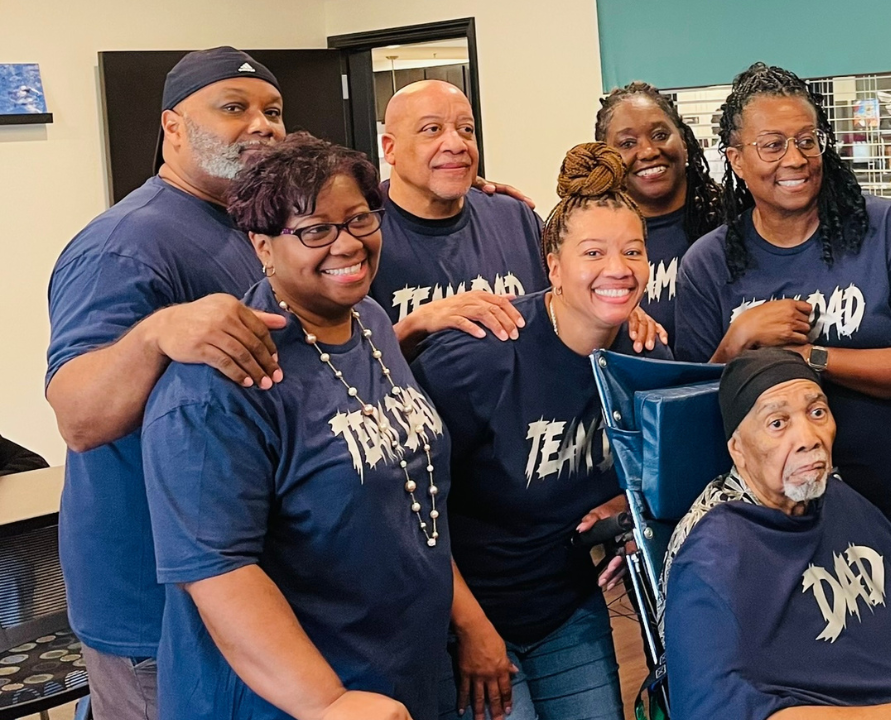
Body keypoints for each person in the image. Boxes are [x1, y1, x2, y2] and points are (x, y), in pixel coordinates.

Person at [141, 133, 453, 720]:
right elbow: (218, 571)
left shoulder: (371, 322)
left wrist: (464, 623)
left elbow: (411, 499)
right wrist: (327, 701)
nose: (348, 244)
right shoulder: (219, 383)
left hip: (398, 673)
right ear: (262, 246)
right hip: (294, 700)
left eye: (360, 219)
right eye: (316, 231)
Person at [45, 47, 287, 718]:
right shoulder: (125, 244)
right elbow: (78, 416)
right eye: (233, 108)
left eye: (272, 110)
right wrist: (156, 333)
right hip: (152, 603)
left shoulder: (252, 227)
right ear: (172, 127)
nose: (262, 125)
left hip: (238, 585)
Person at [675, 62, 891, 594]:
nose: (795, 159)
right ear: (736, 159)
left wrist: (808, 357)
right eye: (771, 145)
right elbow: (693, 408)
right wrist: (738, 340)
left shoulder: (887, 230)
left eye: (807, 140)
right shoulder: (708, 263)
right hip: (784, 523)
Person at [413, 143, 672, 720]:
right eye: (593, 253)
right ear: (552, 266)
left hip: (566, 609)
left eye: (633, 251)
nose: (618, 269)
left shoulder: (644, 354)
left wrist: (630, 507)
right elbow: (411, 511)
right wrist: (471, 629)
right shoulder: (477, 359)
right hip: (468, 611)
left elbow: (664, 471)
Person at [664, 348, 891, 720]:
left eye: (817, 412)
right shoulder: (713, 557)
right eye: (778, 423)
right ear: (738, 450)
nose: (809, 438)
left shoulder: (842, 501)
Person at [373, 80, 665, 357]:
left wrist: (608, 308)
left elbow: (567, 292)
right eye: (432, 129)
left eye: (466, 130)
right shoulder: (366, 236)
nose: (456, 144)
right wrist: (414, 325)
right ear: (390, 148)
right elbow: (342, 367)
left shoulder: (513, 217)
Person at [595, 82, 722, 347]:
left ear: (685, 143)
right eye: (628, 143)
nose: (649, 151)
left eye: (660, 135)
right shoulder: (590, 241)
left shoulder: (730, 223)